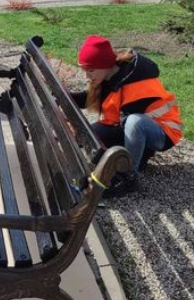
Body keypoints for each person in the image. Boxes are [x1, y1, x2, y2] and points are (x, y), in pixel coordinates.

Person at [70, 35, 182, 196]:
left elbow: (125, 126)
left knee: (134, 122)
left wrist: (106, 161)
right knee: (94, 135)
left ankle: (129, 176)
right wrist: (65, 96)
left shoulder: (134, 82)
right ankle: (139, 156)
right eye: (84, 70)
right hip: (136, 126)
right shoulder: (111, 75)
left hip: (164, 131)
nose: (87, 75)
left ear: (104, 65)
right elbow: (88, 98)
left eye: (91, 70)